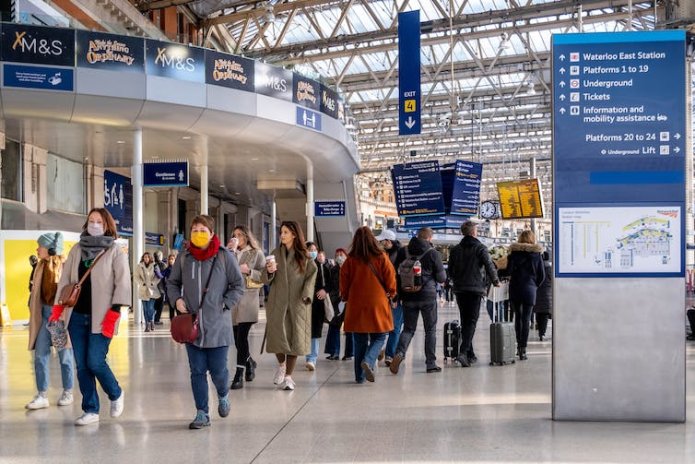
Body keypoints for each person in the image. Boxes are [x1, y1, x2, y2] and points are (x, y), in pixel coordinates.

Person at [51, 208, 131, 426]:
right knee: (82, 365)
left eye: (99, 221)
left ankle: (115, 393)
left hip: (102, 318)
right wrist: (58, 310)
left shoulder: (115, 252)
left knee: (95, 361)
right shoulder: (77, 249)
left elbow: (123, 283)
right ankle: (90, 409)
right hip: (76, 317)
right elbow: (65, 281)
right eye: (91, 221)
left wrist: (115, 311)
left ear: (107, 226)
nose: (94, 224)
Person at [167, 215, 244, 429]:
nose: (198, 234)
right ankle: (202, 412)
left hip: (218, 326)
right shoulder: (184, 257)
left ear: (211, 234)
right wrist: (177, 300)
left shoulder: (224, 257)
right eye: (194, 230)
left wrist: (225, 304)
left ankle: (223, 393)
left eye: (203, 230)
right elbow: (172, 283)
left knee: (219, 371)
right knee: (197, 371)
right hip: (192, 327)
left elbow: (238, 285)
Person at [262, 221, 317, 391]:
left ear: (294, 234)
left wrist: (307, 294)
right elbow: (265, 279)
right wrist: (269, 271)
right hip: (278, 302)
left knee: (294, 339)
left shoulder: (305, 257)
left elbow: (312, 275)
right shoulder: (274, 254)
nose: (282, 235)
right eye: (281, 232)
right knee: (278, 337)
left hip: (297, 302)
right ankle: (282, 365)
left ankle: (288, 377)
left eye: (286, 232)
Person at [26, 232, 75, 410]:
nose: (37, 249)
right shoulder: (40, 266)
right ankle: (42, 395)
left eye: (40, 246)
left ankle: (68, 391)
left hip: (58, 317)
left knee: (65, 357)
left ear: (51, 249)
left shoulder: (64, 266)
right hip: (44, 316)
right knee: (40, 355)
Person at [340, 226, 396, 383]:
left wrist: (345, 297)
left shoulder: (350, 260)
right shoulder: (381, 257)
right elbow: (390, 279)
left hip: (356, 303)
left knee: (359, 341)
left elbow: (343, 282)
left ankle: (359, 377)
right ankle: (369, 360)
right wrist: (391, 293)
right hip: (377, 302)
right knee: (380, 335)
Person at [389, 227, 446, 374]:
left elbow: (396, 275)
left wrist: (398, 295)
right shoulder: (433, 253)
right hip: (428, 296)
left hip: (408, 296)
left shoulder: (404, 251)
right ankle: (431, 364)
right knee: (430, 330)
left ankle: (399, 354)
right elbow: (442, 278)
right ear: (429, 238)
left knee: (408, 329)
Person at [447, 220, 500, 367]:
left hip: (459, 289)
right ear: (473, 232)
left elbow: (450, 270)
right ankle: (463, 353)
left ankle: (470, 353)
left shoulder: (455, 249)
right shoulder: (480, 248)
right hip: (475, 289)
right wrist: (496, 281)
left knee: (465, 320)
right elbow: (489, 265)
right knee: (471, 321)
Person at [227, 225, 265, 390]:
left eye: (240, 235)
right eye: (234, 235)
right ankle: (249, 362)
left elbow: (265, 275)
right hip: (233, 301)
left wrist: (250, 271)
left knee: (241, 337)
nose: (237, 238)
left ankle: (238, 374)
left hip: (248, 300)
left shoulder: (256, 253)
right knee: (236, 339)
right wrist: (230, 252)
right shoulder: (229, 252)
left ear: (247, 237)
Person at [505, 230, 545, 360]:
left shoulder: (513, 254)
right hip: (530, 290)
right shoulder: (537, 255)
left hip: (515, 288)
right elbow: (542, 276)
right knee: (526, 319)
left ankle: (518, 347)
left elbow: (508, 271)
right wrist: (534, 286)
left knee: (518, 318)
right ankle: (523, 350)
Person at [375, 229, 403, 366]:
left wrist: (395, 297)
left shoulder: (400, 255)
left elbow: (398, 278)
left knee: (395, 327)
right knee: (390, 326)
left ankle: (389, 353)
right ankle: (388, 352)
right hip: (385, 296)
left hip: (397, 297)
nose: (380, 243)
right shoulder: (384, 254)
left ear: (388, 241)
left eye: (382, 241)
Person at [305, 242, 333, 371]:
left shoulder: (321, 267)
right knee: (305, 330)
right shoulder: (301, 265)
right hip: (304, 303)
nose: (313, 252)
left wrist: (325, 290)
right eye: (310, 249)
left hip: (318, 303)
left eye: (314, 250)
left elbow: (330, 283)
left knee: (315, 331)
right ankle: (308, 356)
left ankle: (312, 358)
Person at [324, 248, 351, 360]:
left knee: (349, 327)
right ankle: (334, 352)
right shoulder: (333, 269)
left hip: (349, 300)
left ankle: (349, 353)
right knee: (334, 325)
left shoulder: (351, 268)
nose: (339, 256)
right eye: (337, 254)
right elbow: (329, 284)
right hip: (336, 301)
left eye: (341, 254)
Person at [135, 252, 161, 332]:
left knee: (150, 308)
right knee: (145, 309)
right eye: (144, 257)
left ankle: (152, 321)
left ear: (150, 258)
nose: (146, 259)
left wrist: (153, 283)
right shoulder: (139, 266)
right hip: (143, 289)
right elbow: (136, 277)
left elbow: (158, 276)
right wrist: (141, 283)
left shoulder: (155, 266)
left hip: (152, 290)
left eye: (147, 257)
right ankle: (147, 325)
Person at [534, 251, 553, 342]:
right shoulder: (550, 268)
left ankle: (540, 331)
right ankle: (543, 333)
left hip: (537, 292)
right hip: (547, 293)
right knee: (545, 314)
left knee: (538, 313)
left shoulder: (538, 267)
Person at [152, 251, 167, 325]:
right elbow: (165, 278)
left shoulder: (152, 264)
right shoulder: (163, 265)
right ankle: (156, 319)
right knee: (160, 305)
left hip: (153, 288)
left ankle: (152, 319)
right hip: (161, 288)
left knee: (154, 304)